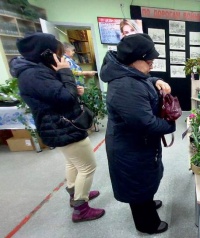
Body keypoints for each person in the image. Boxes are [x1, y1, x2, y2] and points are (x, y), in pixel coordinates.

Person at [9, 33, 105, 223]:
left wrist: (70, 86)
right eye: (57, 52)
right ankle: (81, 208)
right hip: (63, 126)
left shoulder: (34, 70)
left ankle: (74, 194)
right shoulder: (34, 74)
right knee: (87, 167)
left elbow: (57, 94)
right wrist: (66, 74)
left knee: (73, 163)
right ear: (45, 53)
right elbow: (65, 99)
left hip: (58, 125)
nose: (61, 57)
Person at [100, 33, 176, 234]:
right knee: (137, 182)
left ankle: (147, 201)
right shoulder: (126, 86)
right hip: (130, 147)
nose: (152, 63)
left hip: (134, 144)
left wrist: (156, 80)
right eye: (148, 59)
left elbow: (144, 79)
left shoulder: (127, 73)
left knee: (144, 179)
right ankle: (147, 224)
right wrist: (170, 125)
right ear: (134, 60)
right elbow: (146, 124)